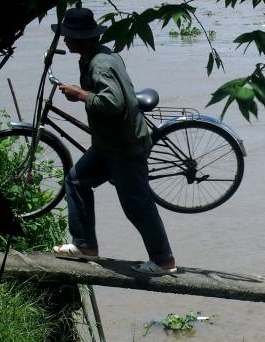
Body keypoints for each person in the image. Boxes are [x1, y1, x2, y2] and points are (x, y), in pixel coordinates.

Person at [50, 8, 176, 274]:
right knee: (76, 180)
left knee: (137, 204)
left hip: (124, 146)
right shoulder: (97, 54)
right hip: (107, 144)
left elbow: (113, 103)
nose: (64, 41)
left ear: (81, 38)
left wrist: (81, 94)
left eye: (68, 36)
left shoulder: (100, 63)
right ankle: (84, 246)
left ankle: (163, 261)